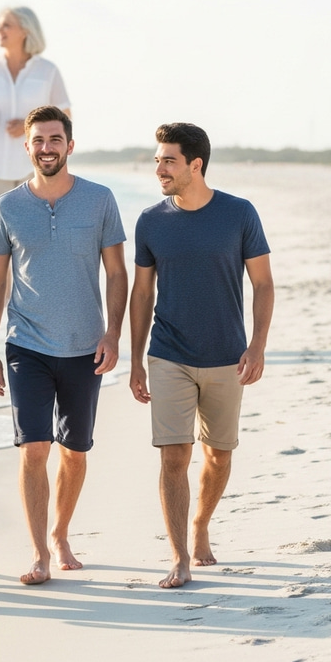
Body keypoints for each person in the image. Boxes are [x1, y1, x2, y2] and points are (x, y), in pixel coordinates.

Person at [0, 105, 128, 585]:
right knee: (34, 448)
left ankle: (62, 533)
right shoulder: (8, 206)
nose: (46, 148)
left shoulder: (100, 200)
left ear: (69, 144)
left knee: (75, 450)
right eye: (38, 140)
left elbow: (116, 272)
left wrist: (113, 333)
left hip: (86, 345)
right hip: (26, 344)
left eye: (55, 139)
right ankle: (39, 552)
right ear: (26, 147)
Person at [128, 122, 275, 589]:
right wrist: (135, 359)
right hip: (168, 353)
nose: (159, 169)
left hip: (227, 357)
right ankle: (179, 557)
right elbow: (141, 293)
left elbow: (264, 283)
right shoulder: (151, 220)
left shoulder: (239, 214)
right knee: (174, 457)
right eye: (156, 160)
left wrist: (257, 345)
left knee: (219, 455)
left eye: (168, 160)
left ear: (196, 164)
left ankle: (201, 524)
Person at [0, 6, 70, 231]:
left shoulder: (48, 71)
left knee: (35, 233)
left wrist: (29, 126)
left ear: (25, 31)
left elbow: (65, 116)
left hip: (37, 166)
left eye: (6, 25)